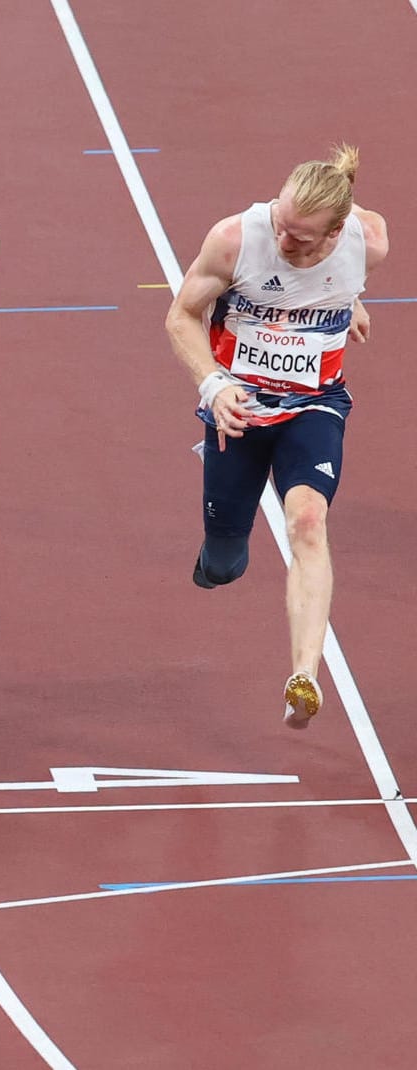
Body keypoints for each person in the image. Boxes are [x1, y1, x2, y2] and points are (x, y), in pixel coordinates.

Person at [166, 145, 387, 729]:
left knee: (308, 521)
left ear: (336, 231)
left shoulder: (368, 238)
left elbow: (347, 271)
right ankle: (217, 558)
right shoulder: (238, 238)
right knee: (225, 560)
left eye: (301, 238)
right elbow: (181, 315)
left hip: (316, 404)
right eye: (282, 226)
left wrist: (349, 297)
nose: (284, 242)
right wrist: (213, 385)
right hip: (239, 408)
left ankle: (303, 677)